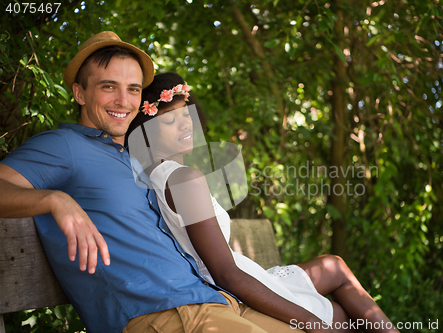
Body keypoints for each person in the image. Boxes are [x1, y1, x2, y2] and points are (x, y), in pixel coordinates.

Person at [0, 31, 331, 333]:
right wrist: (56, 201)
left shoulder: (132, 158)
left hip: (215, 302)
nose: (123, 100)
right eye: (107, 86)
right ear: (79, 93)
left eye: (132, 90)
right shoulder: (65, 146)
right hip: (161, 314)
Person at [126, 72, 401, 333]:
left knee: (334, 265)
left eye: (186, 113)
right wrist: (308, 320)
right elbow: (225, 273)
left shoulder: (161, 174)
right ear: (147, 129)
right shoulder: (183, 178)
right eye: (169, 119)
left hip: (239, 271)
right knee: (340, 315)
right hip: (231, 284)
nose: (185, 123)